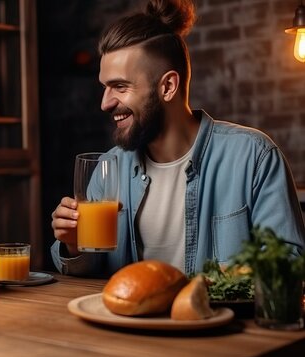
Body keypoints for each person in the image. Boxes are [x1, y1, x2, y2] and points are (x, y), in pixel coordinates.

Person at [51, 0, 305, 277]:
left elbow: (290, 265)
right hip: (130, 320)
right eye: (104, 87)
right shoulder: (108, 166)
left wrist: (217, 281)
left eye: (120, 87)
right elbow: (91, 274)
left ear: (168, 86)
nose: (105, 103)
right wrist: (74, 246)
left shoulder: (254, 156)